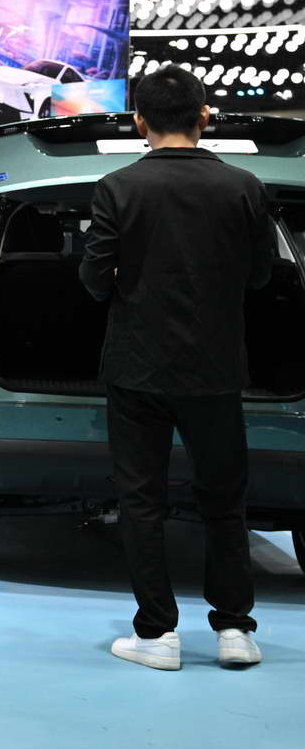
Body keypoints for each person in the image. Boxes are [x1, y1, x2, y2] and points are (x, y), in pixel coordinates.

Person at [78, 63, 275, 671]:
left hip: (136, 369)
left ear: (140, 121)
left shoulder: (117, 187)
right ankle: (235, 630)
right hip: (216, 369)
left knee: (142, 502)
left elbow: (93, 279)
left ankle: (157, 635)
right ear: (204, 116)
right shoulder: (244, 186)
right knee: (224, 500)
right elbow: (262, 275)